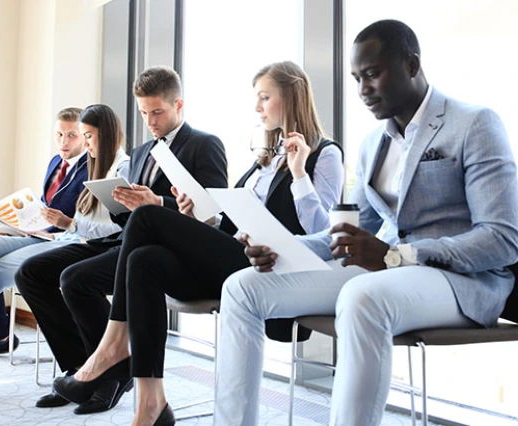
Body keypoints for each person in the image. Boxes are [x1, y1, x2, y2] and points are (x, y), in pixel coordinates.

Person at [212, 19, 518, 426]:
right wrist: (285, 247)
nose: (362, 90)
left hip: (463, 281)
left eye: (372, 75)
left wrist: (396, 256)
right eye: (357, 78)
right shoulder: (375, 142)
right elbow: (346, 233)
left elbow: (501, 239)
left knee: (362, 297)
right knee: (242, 287)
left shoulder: (475, 123)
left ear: (411, 64)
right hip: (385, 272)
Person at [52, 61, 344, 426]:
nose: (257, 107)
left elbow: (323, 230)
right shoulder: (264, 159)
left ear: (292, 96)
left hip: (275, 267)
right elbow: (230, 222)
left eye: (264, 97)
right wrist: (199, 216)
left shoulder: (325, 154)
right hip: (236, 251)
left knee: (146, 216)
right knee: (144, 259)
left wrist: (300, 174)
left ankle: (111, 348)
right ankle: (151, 404)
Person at [14, 66, 229, 415]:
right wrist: (119, 202)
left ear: (179, 105)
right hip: (126, 240)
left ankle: (109, 373)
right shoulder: (144, 151)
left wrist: (160, 204)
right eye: (144, 113)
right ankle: (79, 368)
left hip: (167, 249)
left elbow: (214, 210)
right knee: (32, 272)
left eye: (157, 112)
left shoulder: (205, 144)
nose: (151, 121)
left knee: (75, 279)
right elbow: (130, 216)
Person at [0, 104, 130, 400]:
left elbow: (111, 225)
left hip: (76, 242)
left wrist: (68, 223)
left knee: (5, 270)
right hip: (50, 237)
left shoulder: (111, 165)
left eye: (81, 136)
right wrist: (18, 226)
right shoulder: (77, 163)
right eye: (62, 134)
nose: (72, 143)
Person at [0, 106, 88, 356]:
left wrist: (60, 224)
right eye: (59, 135)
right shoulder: (56, 162)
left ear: (85, 137)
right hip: (38, 235)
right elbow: (46, 210)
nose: (63, 142)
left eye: (71, 135)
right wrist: (15, 227)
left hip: (64, 241)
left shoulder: (93, 167)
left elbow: (80, 221)